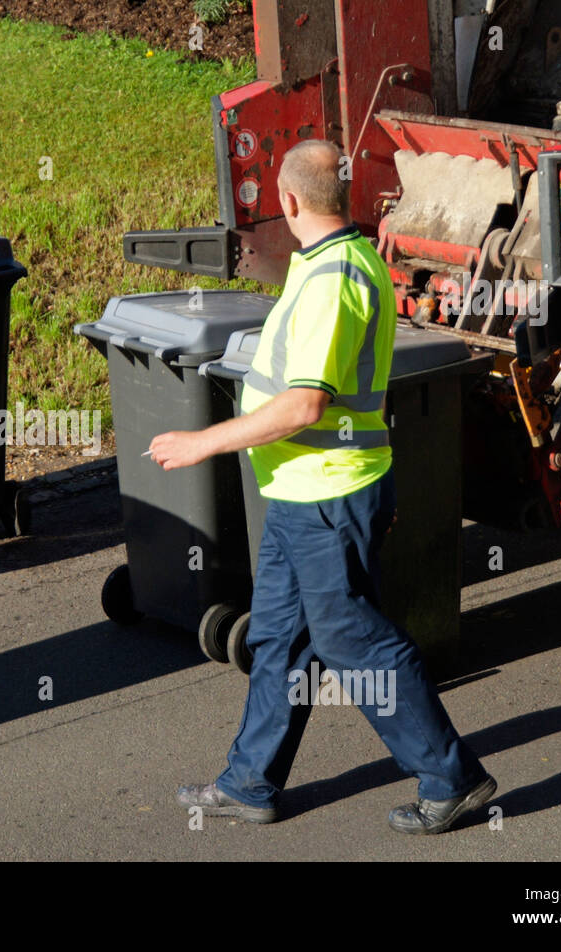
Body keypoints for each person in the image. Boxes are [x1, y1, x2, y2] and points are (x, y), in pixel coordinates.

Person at [147, 139, 495, 834]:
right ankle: (251, 781)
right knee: (278, 638)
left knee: (351, 639)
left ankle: (451, 778)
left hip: (329, 494)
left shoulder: (335, 277)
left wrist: (201, 443)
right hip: (300, 492)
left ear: (288, 202)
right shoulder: (334, 262)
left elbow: (306, 403)